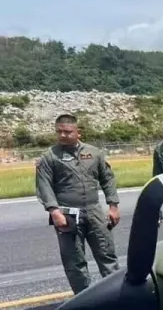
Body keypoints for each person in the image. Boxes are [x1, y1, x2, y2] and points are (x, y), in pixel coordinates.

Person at [35, 114, 121, 295]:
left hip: (94, 210)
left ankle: (115, 294)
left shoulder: (94, 153)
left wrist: (113, 205)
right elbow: (44, 186)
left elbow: (107, 179)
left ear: (78, 132)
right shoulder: (49, 157)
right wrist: (54, 211)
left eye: (67, 132)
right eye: (59, 131)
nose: (63, 135)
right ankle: (84, 296)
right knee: (74, 258)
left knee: (106, 253)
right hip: (66, 213)